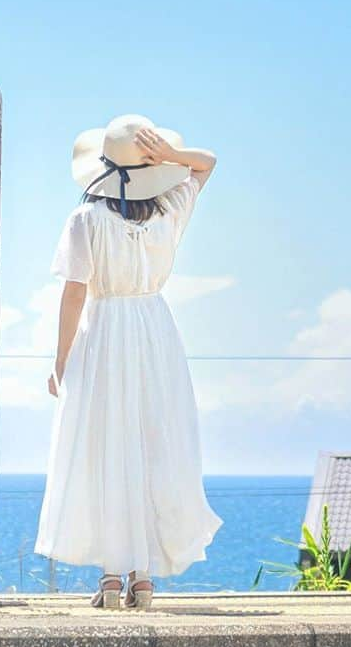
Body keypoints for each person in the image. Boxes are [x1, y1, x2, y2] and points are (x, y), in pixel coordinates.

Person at [34, 113, 222, 610]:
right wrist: (173, 157)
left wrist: (60, 362)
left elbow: (74, 295)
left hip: (105, 332)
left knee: (107, 450)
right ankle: (143, 578)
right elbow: (207, 165)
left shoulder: (85, 220)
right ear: (153, 169)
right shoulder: (170, 210)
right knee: (150, 447)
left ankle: (113, 579)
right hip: (154, 332)